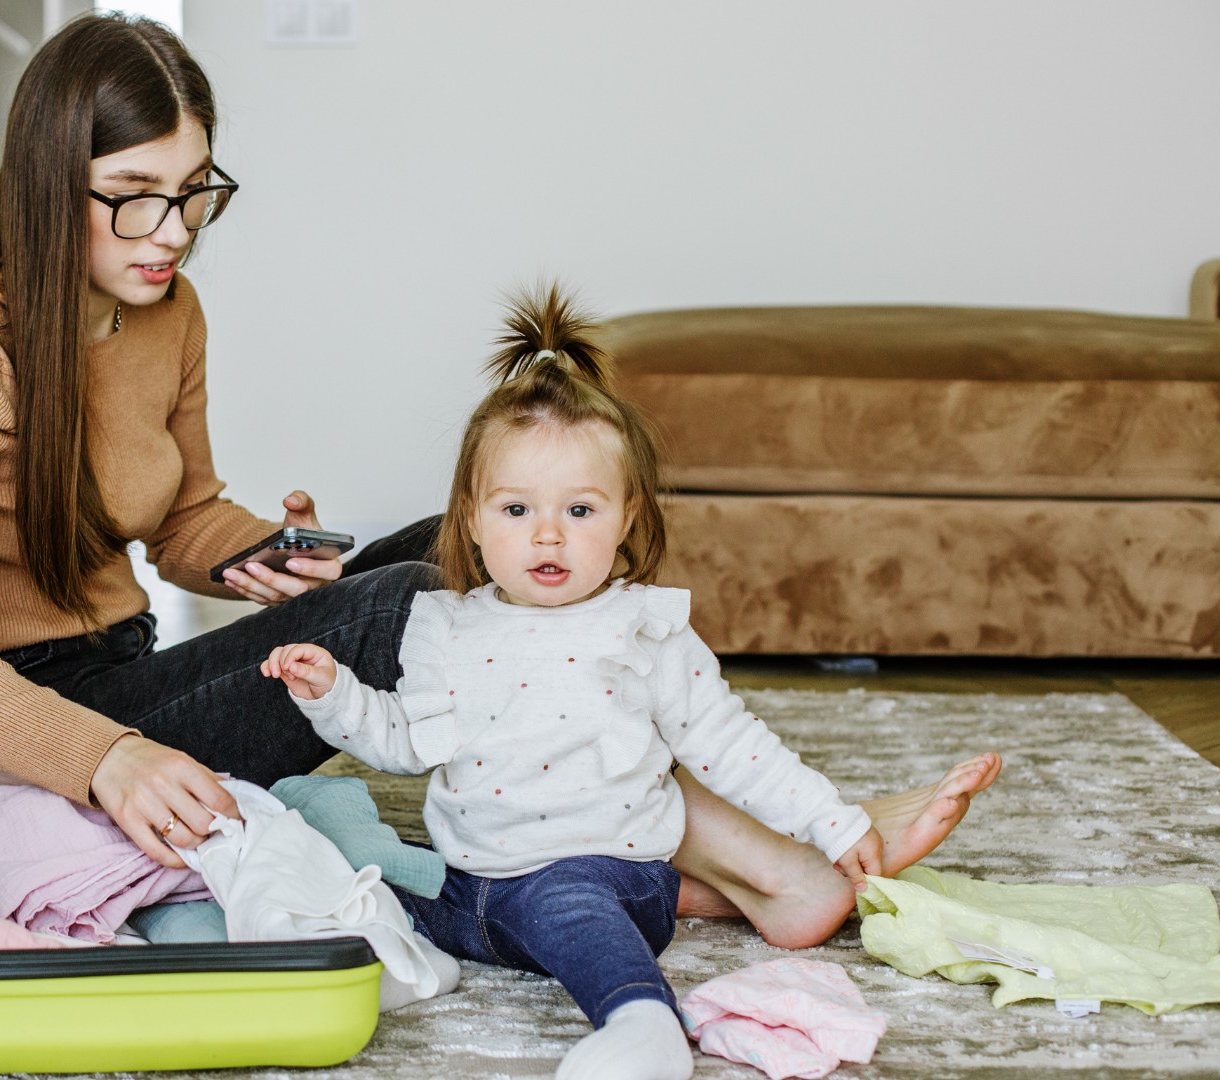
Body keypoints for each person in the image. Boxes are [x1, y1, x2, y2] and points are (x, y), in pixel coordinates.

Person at [0, 13, 998, 955]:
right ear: (52, 184)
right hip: (3, 738)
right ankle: (767, 860)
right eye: (136, 194)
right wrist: (106, 758)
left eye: (197, 192)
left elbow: (185, 513)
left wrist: (279, 554)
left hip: (127, 669)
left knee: (471, 552)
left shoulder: (164, 308)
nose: (174, 232)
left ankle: (715, 840)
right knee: (412, 611)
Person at [262, 286, 907, 1078]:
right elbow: (401, 744)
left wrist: (834, 823)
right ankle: (415, 952)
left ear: (627, 518)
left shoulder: (643, 628)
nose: (547, 534)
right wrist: (333, 695)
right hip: (471, 885)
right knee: (344, 848)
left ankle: (642, 1020)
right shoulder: (444, 625)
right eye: (515, 509)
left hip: (603, 876)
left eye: (579, 509)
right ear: (469, 517)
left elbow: (734, 746)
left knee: (569, 907)